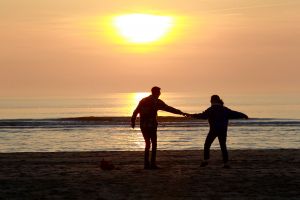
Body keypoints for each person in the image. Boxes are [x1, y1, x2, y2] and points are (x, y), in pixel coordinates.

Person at [131, 86, 186, 169]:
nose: (160, 93)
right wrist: (180, 112)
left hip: (143, 125)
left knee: (147, 144)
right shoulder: (156, 101)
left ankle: (146, 164)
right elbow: (169, 109)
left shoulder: (143, 100)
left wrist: (133, 122)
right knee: (154, 144)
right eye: (159, 92)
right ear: (157, 93)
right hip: (151, 125)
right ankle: (152, 164)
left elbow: (135, 111)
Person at [188, 95, 248, 168]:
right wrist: (244, 115)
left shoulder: (211, 109)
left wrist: (191, 115)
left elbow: (202, 116)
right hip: (223, 130)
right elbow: (235, 113)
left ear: (212, 101)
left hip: (213, 130)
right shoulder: (225, 109)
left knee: (207, 145)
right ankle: (226, 163)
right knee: (223, 146)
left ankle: (206, 160)